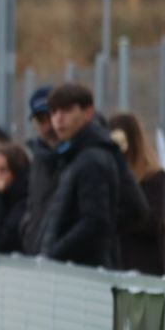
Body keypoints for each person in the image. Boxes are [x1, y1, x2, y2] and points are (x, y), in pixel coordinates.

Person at [38, 83, 124, 268]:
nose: (58, 119)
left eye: (67, 110)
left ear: (88, 112)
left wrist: (54, 254)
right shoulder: (72, 156)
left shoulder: (92, 159)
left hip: (84, 272)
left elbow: (94, 221)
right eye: (53, 112)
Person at [107, 112, 165, 276]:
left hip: (143, 268)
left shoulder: (153, 177)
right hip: (115, 266)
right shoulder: (110, 177)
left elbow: (152, 221)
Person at [20, 86, 61, 256]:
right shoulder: (36, 159)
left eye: (50, 117)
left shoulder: (79, 157)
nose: (47, 127)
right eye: (41, 120)